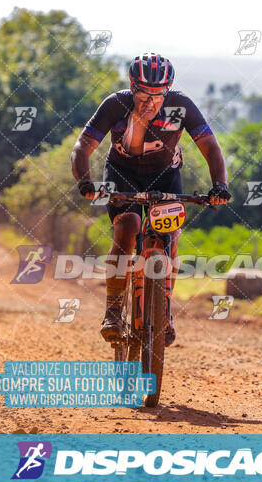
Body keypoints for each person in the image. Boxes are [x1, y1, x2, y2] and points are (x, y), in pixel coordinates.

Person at [71, 53, 231, 346]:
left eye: (157, 95)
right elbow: (83, 146)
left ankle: (164, 312)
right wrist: (85, 182)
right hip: (122, 173)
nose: (149, 101)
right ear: (132, 88)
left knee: (169, 237)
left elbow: (210, 146)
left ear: (167, 91)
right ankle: (114, 309)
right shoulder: (115, 104)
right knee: (128, 226)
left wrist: (219, 185)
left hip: (164, 176)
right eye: (143, 93)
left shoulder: (181, 106)